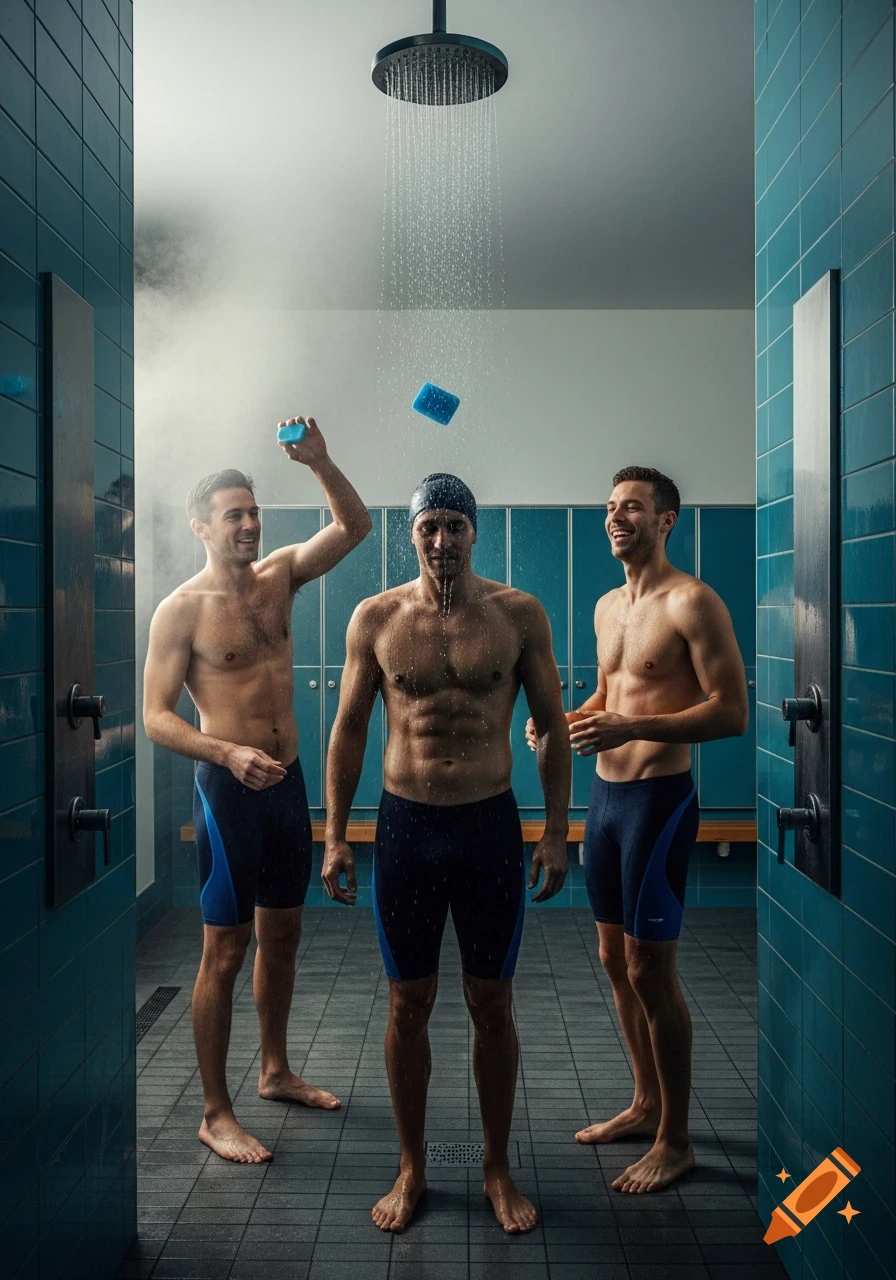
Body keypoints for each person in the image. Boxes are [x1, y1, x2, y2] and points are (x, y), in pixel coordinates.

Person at [323, 473, 571, 1234]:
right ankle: (413, 1165)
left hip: (487, 827)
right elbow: (350, 729)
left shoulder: (518, 615)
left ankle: (496, 1168)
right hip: (407, 831)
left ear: (474, 531)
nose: (442, 541)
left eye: (454, 527)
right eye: (429, 526)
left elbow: (553, 724)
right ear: (412, 533)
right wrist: (335, 835)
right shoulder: (376, 618)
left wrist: (557, 833)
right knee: (409, 1003)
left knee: (491, 1004)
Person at [143, 416, 372, 1163]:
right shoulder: (181, 610)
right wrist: (227, 751)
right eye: (233, 515)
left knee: (284, 935)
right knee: (226, 950)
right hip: (229, 790)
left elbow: (355, 526)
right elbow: (154, 718)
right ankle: (216, 1111)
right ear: (201, 527)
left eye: (252, 512)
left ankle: (274, 1071)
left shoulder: (280, 576)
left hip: (288, 786)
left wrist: (320, 459)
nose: (248, 524)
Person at [528, 465, 748, 1194]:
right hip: (605, 801)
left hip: (658, 801)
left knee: (653, 969)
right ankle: (644, 1100)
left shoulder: (694, 602)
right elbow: (609, 692)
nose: (618, 517)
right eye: (612, 507)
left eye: (634, 508)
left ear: (667, 521)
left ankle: (677, 1139)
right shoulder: (606, 607)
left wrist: (631, 725)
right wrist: (565, 721)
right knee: (613, 961)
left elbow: (730, 711)